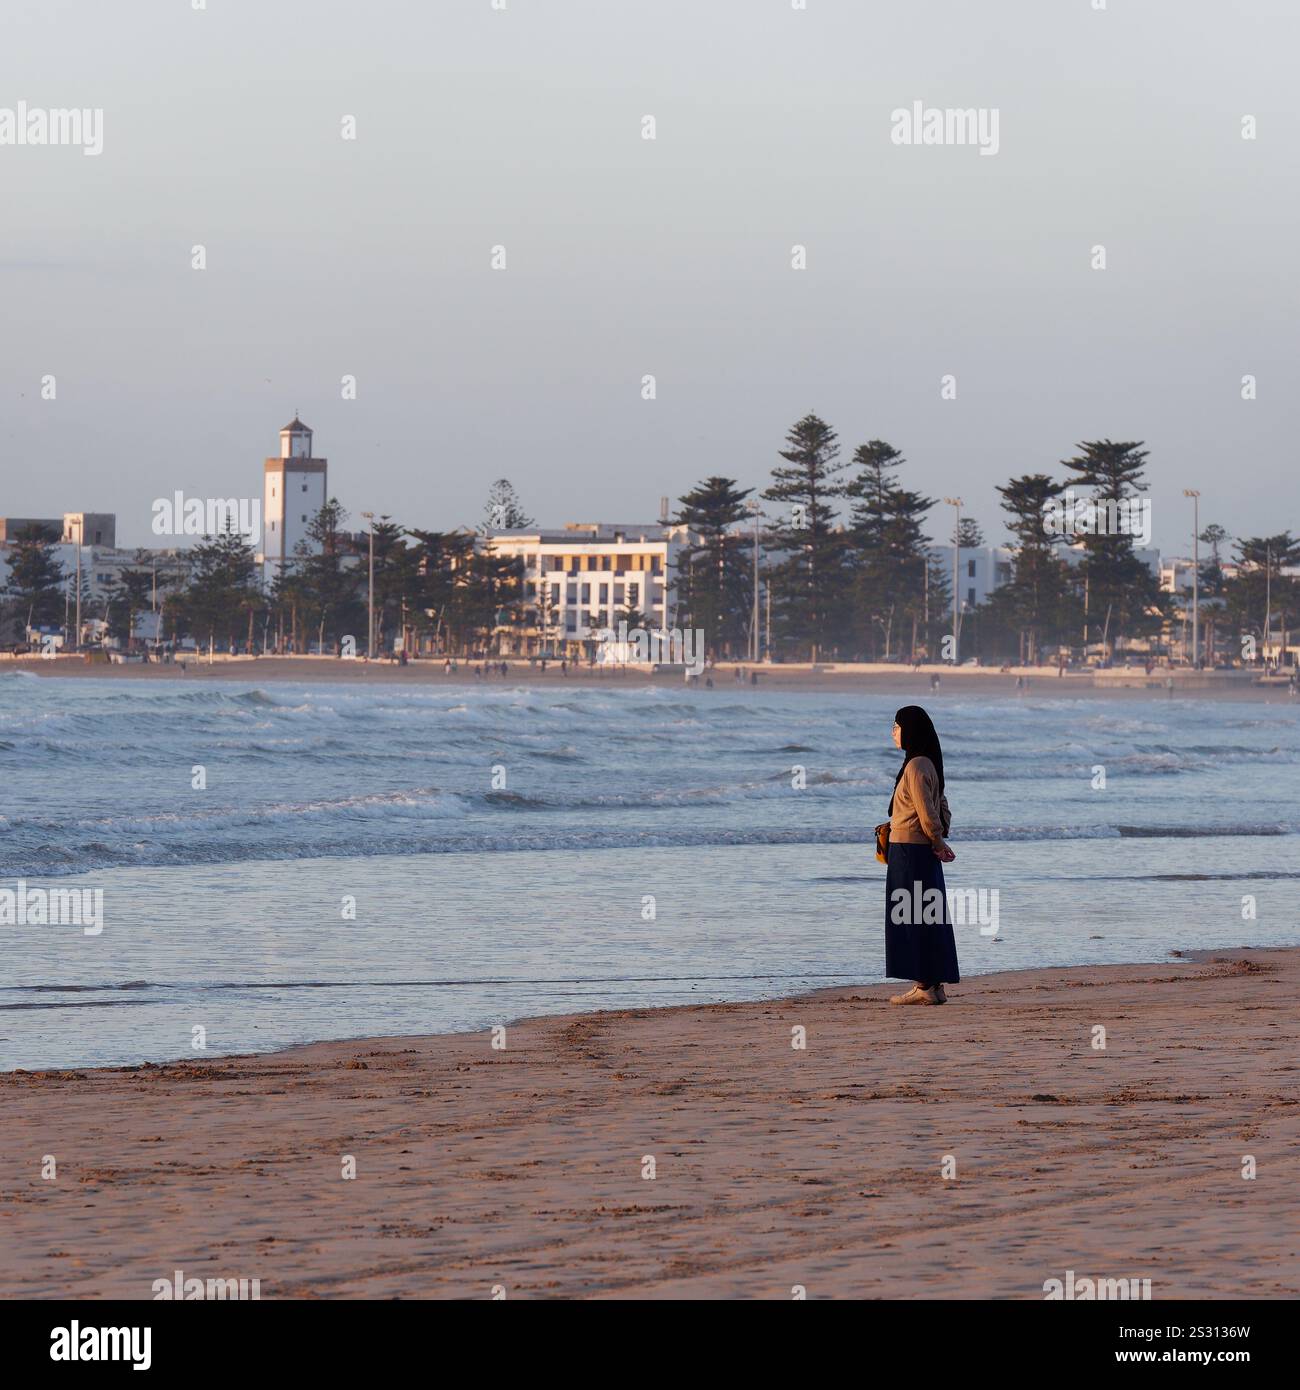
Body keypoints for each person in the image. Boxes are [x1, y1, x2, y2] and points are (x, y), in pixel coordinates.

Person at [884, 705, 959, 1006]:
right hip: (921, 850)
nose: (893, 732)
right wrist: (937, 840)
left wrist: (937, 841)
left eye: (896, 727)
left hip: (909, 851)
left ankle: (923, 985)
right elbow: (941, 805)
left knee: (911, 917)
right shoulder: (928, 763)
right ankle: (933, 984)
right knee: (927, 915)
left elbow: (927, 813)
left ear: (910, 731)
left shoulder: (915, 766)